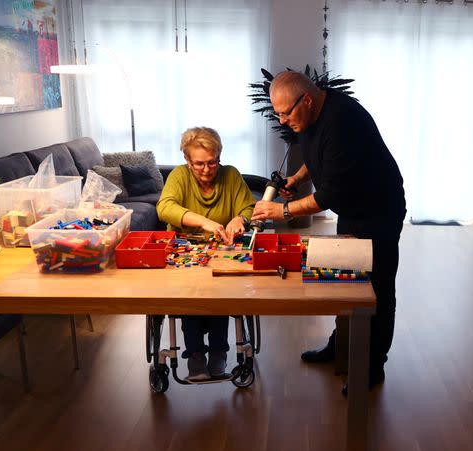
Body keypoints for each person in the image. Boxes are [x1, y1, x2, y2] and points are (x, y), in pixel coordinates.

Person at [251, 71, 406, 395]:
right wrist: (297, 177)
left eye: (285, 113)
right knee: (347, 279)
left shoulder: (345, 121)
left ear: (306, 100)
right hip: (352, 209)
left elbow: (330, 196)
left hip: (379, 210)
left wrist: (283, 211)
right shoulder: (309, 117)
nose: (281, 120)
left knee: (376, 289)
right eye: (276, 112)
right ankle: (340, 347)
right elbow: (315, 154)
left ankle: (372, 367)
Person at [157, 127, 255, 381]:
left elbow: (248, 206)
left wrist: (239, 218)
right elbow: (165, 207)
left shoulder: (231, 175)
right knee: (191, 296)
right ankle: (196, 355)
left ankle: (219, 352)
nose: (206, 169)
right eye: (198, 163)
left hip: (223, 251)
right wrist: (202, 221)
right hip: (185, 252)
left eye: (212, 162)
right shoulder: (179, 176)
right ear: (187, 161)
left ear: (219, 157)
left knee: (219, 293)